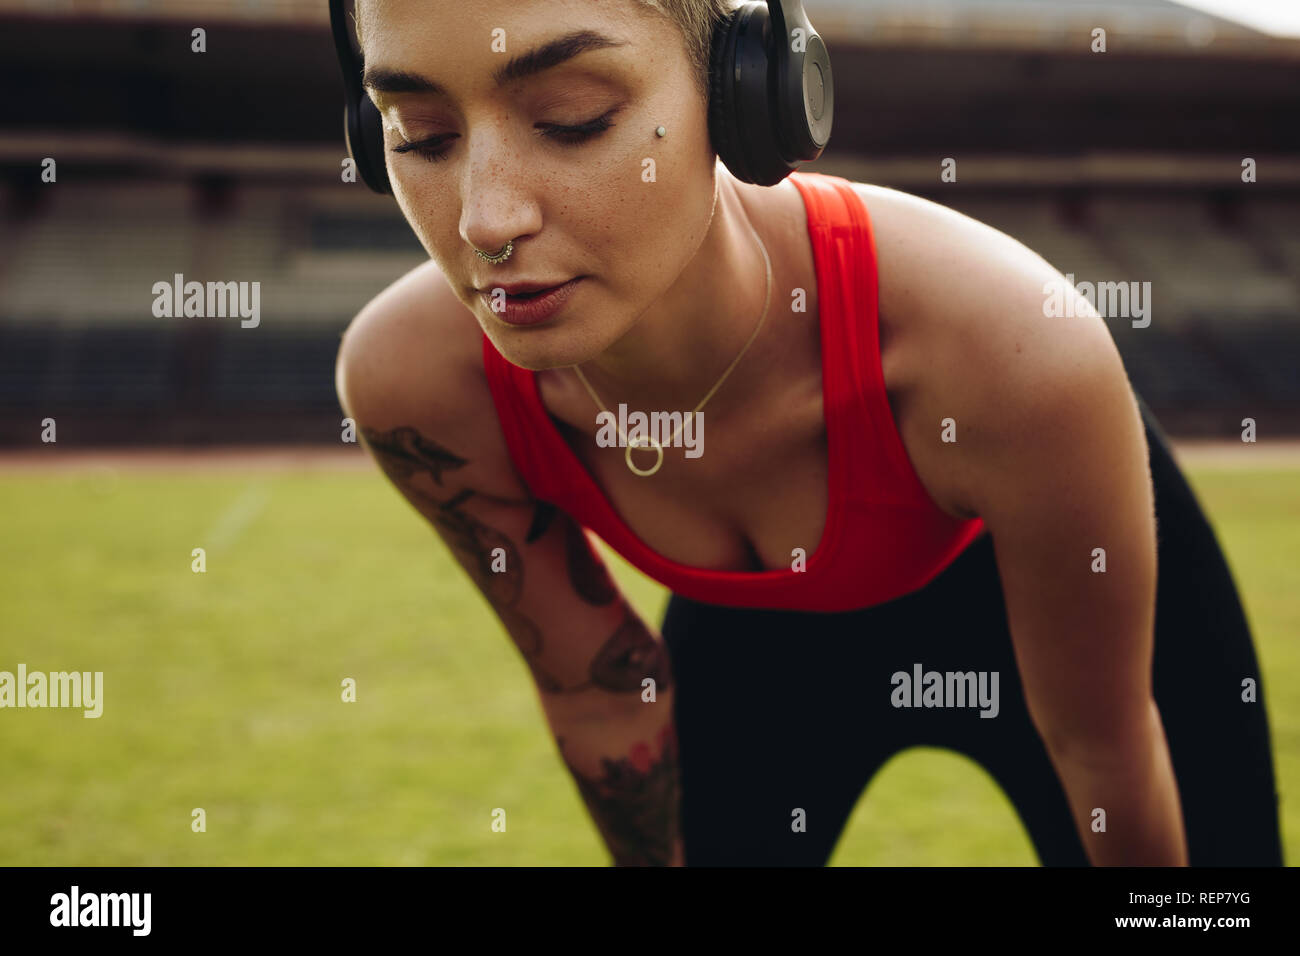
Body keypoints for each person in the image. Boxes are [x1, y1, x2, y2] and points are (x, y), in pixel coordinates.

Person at [333, 0, 1283, 866]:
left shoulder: (1014, 349)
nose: (487, 219)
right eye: (421, 136)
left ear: (746, 96)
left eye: (573, 117)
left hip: (1066, 641)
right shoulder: (415, 384)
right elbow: (599, 694)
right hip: (761, 650)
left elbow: (1103, 745)